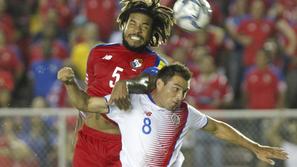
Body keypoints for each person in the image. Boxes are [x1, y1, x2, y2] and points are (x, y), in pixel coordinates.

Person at [59, 64, 288, 166]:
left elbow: (217, 127)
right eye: (176, 89)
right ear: (159, 84)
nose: (181, 96)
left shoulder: (185, 113)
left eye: (185, 91)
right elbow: (85, 103)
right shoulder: (130, 103)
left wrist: (255, 147)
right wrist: (70, 83)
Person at [57, 0, 175, 166]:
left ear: (151, 32)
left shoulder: (157, 62)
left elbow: (150, 80)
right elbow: (87, 101)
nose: (137, 30)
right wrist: (76, 138)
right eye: (132, 23)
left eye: (144, 26)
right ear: (124, 24)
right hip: (89, 142)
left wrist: (127, 84)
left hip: (124, 145)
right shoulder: (98, 52)